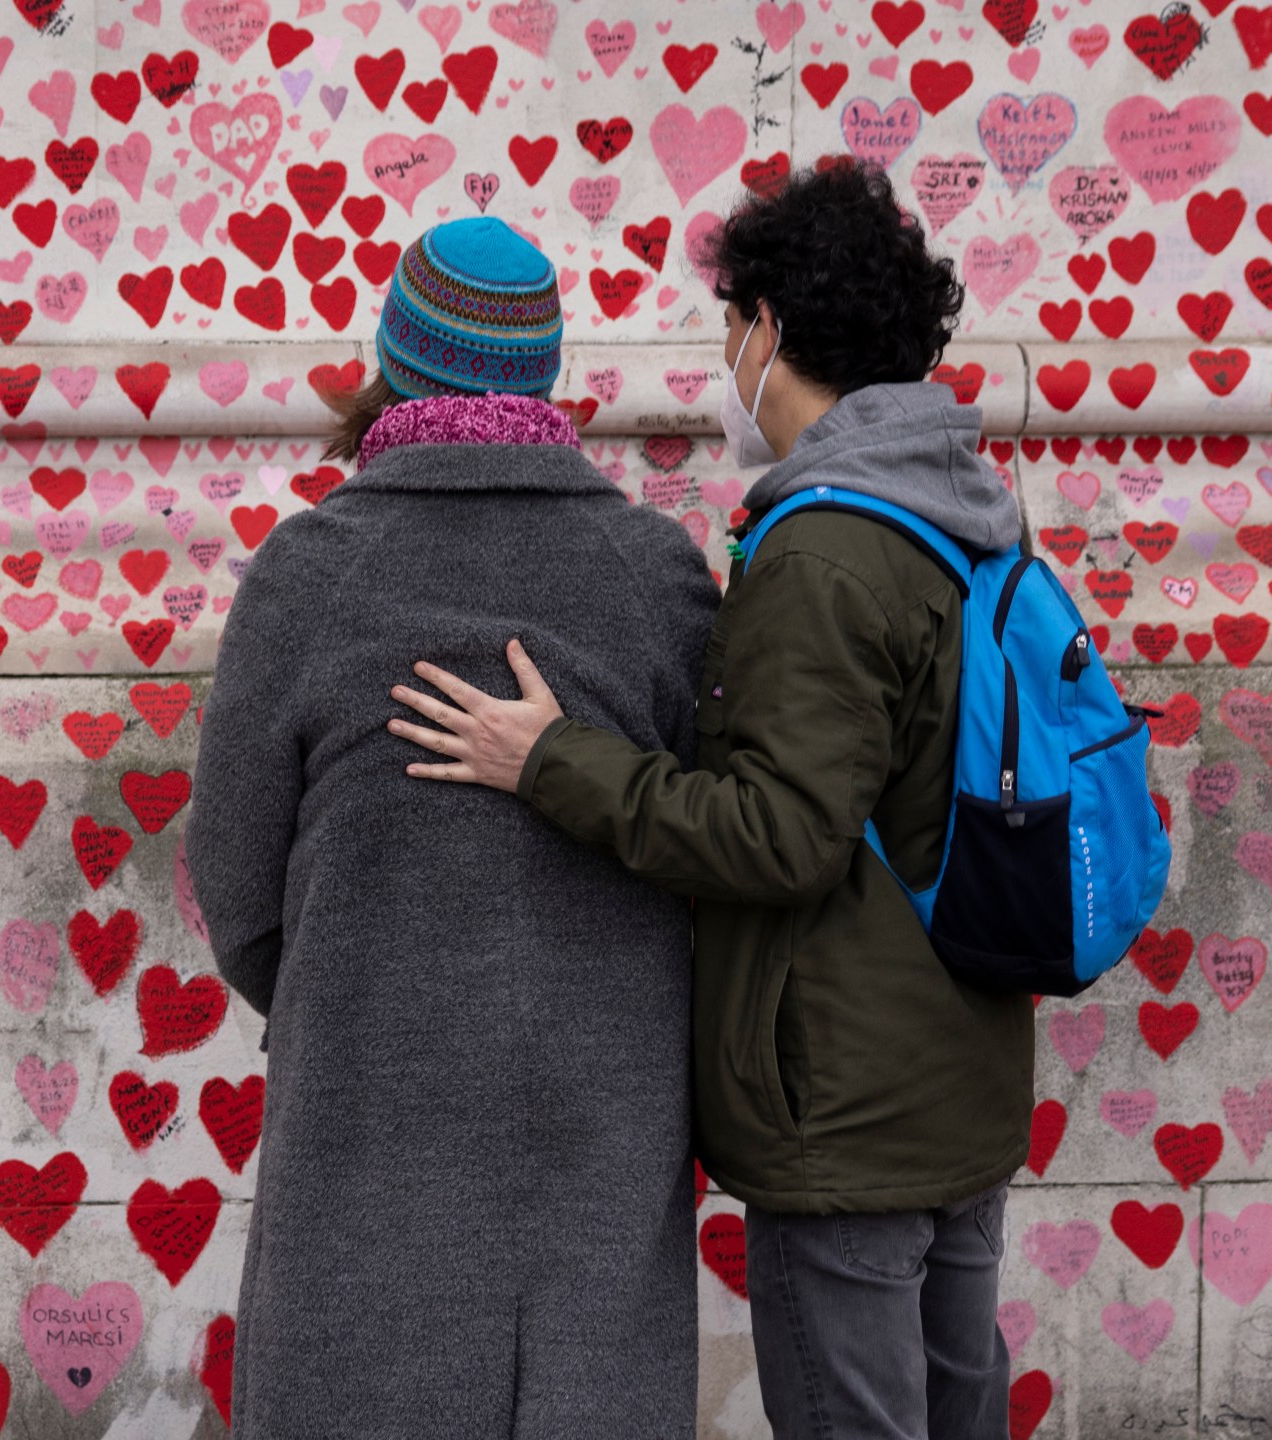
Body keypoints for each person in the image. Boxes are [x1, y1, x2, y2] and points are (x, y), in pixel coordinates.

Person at [387, 160, 1033, 1440]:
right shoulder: (962, 511)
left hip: (844, 1113)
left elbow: (781, 835)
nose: (723, 357)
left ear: (772, 332)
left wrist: (549, 758)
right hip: (955, 1077)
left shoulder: (828, 546)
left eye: (730, 326)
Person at [182, 214, 721, 1437]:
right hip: (607, 1108)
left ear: (395, 359)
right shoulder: (653, 570)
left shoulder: (311, 570)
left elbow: (235, 879)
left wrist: (351, 996)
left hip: (367, 1106)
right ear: (545, 376)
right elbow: (714, 837)